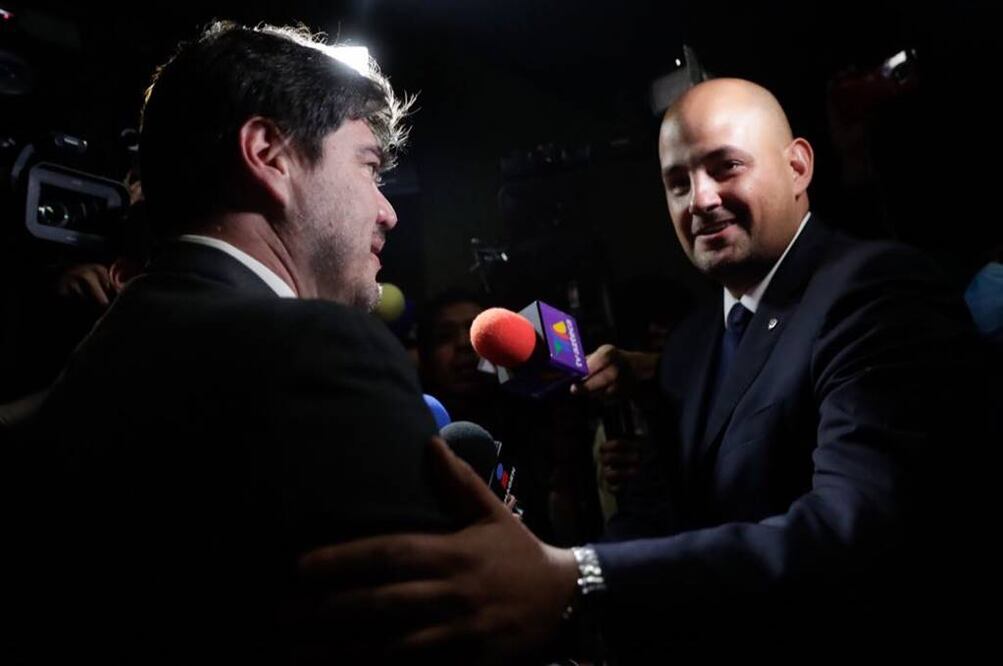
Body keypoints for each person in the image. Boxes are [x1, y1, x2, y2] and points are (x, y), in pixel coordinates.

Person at [299, 78, 992, 662]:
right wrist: (526, 572)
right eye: (676, 182)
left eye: (724, 167)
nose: (701, 199)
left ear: (798, 166)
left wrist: (578, 576)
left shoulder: (877, 292)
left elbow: (852, 530)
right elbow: (657, 521)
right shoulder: (692, 344)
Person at [8, 21, 454, 662]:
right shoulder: (321, 353)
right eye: (369, 166)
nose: (388, 211)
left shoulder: (84, 370)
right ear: (268, 155)